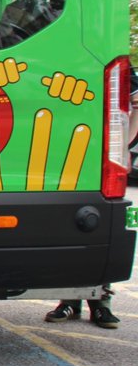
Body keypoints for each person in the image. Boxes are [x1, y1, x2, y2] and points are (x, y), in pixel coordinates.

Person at [43, 66, 135, 330]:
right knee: (66, 232)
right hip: (67, 158)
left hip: (98, 162)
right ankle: (69, 301)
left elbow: (126, 134)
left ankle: (101, 302)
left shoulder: (118, 79)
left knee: (96, 235)